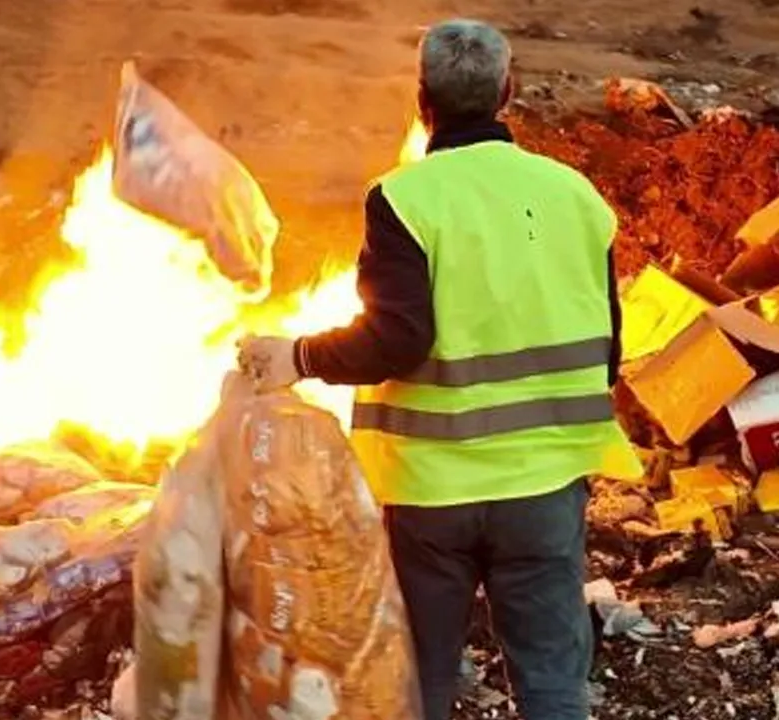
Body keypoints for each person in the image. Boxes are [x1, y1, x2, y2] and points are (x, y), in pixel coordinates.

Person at [237, 18, 633, 720]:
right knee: (550, 684)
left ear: (422, 100)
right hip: (545, 485)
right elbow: (609, 348)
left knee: (417, 682)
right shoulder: (577, 197)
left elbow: (397, 339)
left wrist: (297, 357)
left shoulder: (404, 199)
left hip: (434, 492)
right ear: (509, 92)